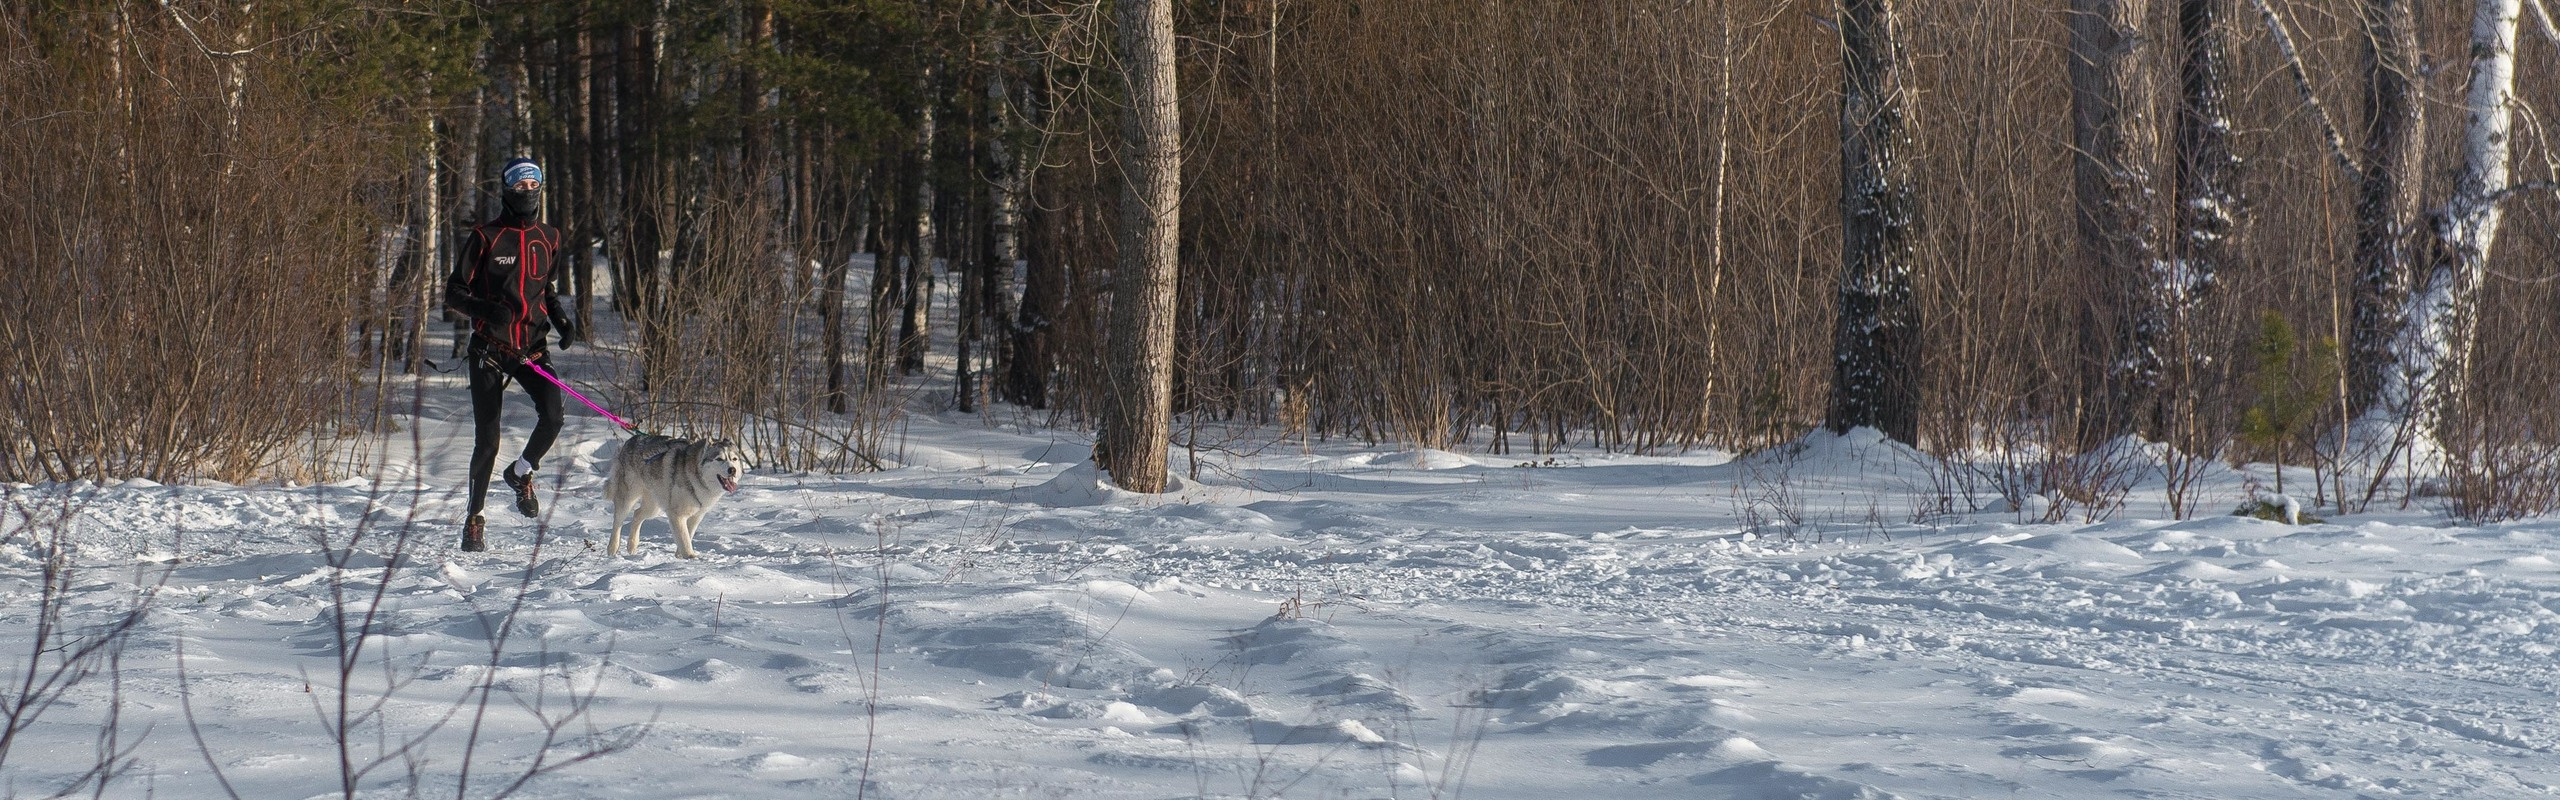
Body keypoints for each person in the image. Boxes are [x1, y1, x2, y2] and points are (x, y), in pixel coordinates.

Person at [444, 157, 578, 551]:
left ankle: (521, 473)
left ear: (541, 189)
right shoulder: (485, 237)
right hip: (489, 347)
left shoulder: (549, 237)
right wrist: (485, 310)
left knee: (553, 415)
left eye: (533, 184)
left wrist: (563, 321)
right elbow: (454, 292)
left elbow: (545, 288)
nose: (526, 191)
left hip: (531, 348)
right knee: (488, 440)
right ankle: (475, 519)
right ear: (506, 190)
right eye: (519, 186)